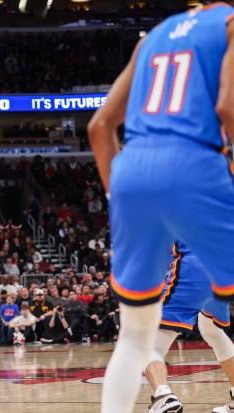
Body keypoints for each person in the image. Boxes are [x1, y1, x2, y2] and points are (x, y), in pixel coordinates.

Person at [87, 3, 234, 412]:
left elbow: (99, 127)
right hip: (195, 165)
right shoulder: (229, 25)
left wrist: (121, 201)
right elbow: (227, 108)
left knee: (133, 338)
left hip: (132, 172)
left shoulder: (153, 36)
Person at [143, 243, 234, 413]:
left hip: (196, 266)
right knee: (211, 330)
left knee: (147, 341)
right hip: (226, 269)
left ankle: (163, 396)